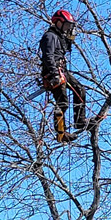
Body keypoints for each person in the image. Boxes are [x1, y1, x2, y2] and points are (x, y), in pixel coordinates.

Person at [40, 10, 86, 142]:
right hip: (52, 72)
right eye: (66, 25)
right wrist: (54, 74)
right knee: (63, 102)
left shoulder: (60, 37)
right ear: (58, 22)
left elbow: (64, 50)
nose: (67, 28)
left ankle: (80, 120)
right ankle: (61, 132)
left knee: (80, 89)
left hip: (63, 70)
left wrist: (69, 40)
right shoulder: (49, 36)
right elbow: (48, 56)